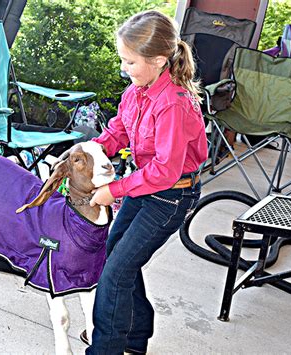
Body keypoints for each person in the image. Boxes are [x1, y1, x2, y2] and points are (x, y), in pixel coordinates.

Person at [85, 10, 208, 355]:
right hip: (146, 184)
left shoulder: (174, 104)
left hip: (171, 195)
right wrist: (90, 150)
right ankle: (134, 337)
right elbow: (119, 130)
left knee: (115, 273)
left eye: (130, 61)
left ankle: (105, 349)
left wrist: (115, 189)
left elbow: (167, 171)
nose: (124, 68)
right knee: (117, 257)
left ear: (158, 60)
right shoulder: (137, 90)